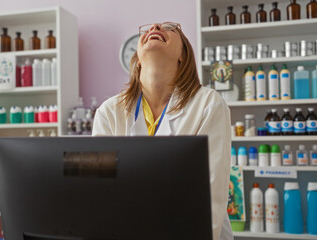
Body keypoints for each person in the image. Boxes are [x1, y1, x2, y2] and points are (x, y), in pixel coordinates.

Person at [92, 22, 232, 240]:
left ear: (183, 56)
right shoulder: (109, 112)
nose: (155, 26)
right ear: (138, 59)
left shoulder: (208, 104)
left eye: (171, 28)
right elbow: (101, 194)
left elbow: (211, 193)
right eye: (147, 30)